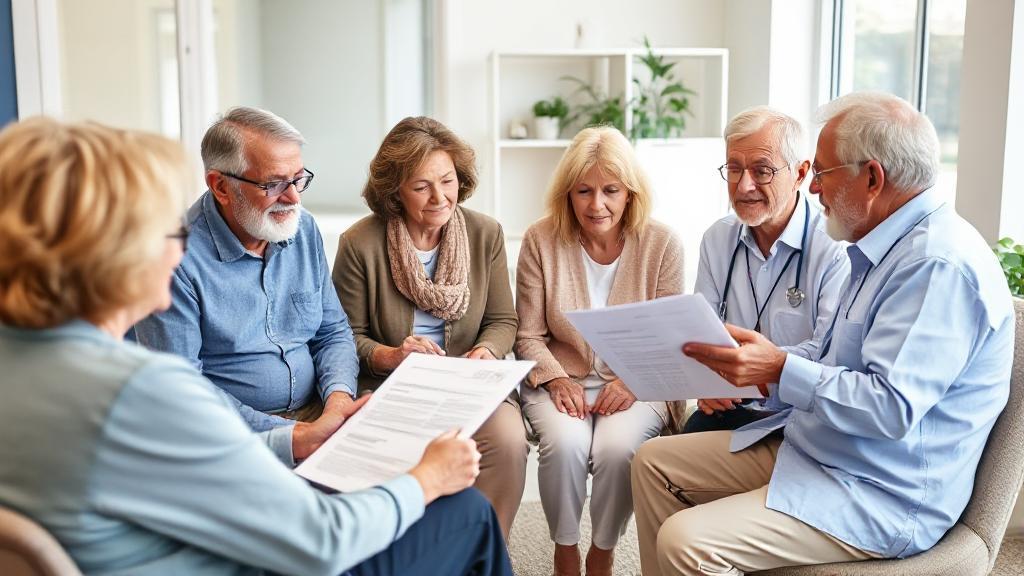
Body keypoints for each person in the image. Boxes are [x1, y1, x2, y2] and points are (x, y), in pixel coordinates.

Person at [0, 117, 512, 576]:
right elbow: (320, 541)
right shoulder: (141, 389)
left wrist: (306, 433)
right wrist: (427, 477)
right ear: (109, 255)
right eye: (165, 229)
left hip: (187, 514)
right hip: (235, 555)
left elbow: (328, 335)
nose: (181, 246)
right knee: (462, 514)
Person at [632, 91, 1015, 575]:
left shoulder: (934, 266)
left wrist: (778, 367)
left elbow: (890, 408)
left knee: (686, 542)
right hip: (822, 447)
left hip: (877, 492)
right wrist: (764, 367)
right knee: (652, 463)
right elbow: (828, 352)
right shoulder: (876, 248)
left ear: (872, 178)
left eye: (823, 174)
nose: (814, 189)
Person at [332, 116, 527, 540]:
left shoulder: (485, 233)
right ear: (394, 193)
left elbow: (502, 320)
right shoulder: (359, 243)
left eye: (448, 181)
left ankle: (484, 555)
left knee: (509, 442)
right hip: (393, 384)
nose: (440, 197)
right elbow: (343, 336)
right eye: (422, 186)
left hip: (470, 380)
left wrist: (488, 353)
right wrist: (392, 355)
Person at [515, 126, 684, 576]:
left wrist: (634, 380)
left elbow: (670, 337)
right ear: (567, 193)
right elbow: (527, 335)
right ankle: (565, 549)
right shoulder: (540, 239)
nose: (596, 205)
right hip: (559, 378)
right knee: (566, 444)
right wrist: (554, 377)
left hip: (637, 381)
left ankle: (603, 551)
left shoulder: (663, 244)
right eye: (583, 191)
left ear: (630, 193)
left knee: (618, 450)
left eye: (611, 190)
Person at [132, 106, 359, 436]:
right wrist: (293, 436)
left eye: (298, 179)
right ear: (221, 186)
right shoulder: (172, 257)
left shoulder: (302, 227)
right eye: (275, 184)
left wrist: (338, 403)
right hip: (231, 433)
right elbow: (182, 390)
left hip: (320, 411)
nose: (294, 198)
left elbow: (332, 331)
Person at [682, 106, 848, 437]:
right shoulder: (718, 239)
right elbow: (701, 334)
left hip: (798, 418)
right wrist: (708, 380)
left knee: (657, 465)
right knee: (657, 458)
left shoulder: (834, 248)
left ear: (800, 174)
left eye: (762, 171)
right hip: (729, 408)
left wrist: (755, 367)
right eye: (734, 168)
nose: (743, 186)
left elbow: (829, 354)